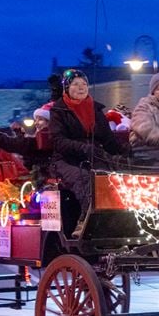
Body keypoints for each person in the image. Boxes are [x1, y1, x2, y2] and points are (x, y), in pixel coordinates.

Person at [50, 69, 125, 238]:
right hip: (67, 160)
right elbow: (58, 141)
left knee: (116, 180)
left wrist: (124, 153)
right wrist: (82, 147)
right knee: (87, 180)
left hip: (94, 157)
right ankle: (85, 221)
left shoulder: (96, 110)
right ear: (67, 88)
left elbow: (108, 140)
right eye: (76, 84)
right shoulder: (59, 111)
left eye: (84, 84)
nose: (81, 87)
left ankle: (118, 222)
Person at [0, 103, 53, 180]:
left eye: (40, 119)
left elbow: (14, 144)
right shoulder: (57, 137)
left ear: (50, 122)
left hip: (43, 181)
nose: (36, 123)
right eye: (36, 119)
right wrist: (19, 134)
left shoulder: (41, 141)